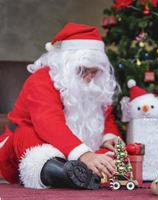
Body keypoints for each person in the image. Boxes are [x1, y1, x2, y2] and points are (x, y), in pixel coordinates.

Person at [0, 22, 121, 189]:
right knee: (27, 136)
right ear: (65, 64)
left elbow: (106, 117)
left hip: (81, 150)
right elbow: (48, 122)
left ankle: (80, 172)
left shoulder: (96, 87)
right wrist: (84, 154)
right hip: (35, 144)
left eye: (94, 72)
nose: (89, 77)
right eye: (83, 70)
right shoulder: (42, 80)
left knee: (113, 156)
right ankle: (62, 172)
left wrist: (110, 137)